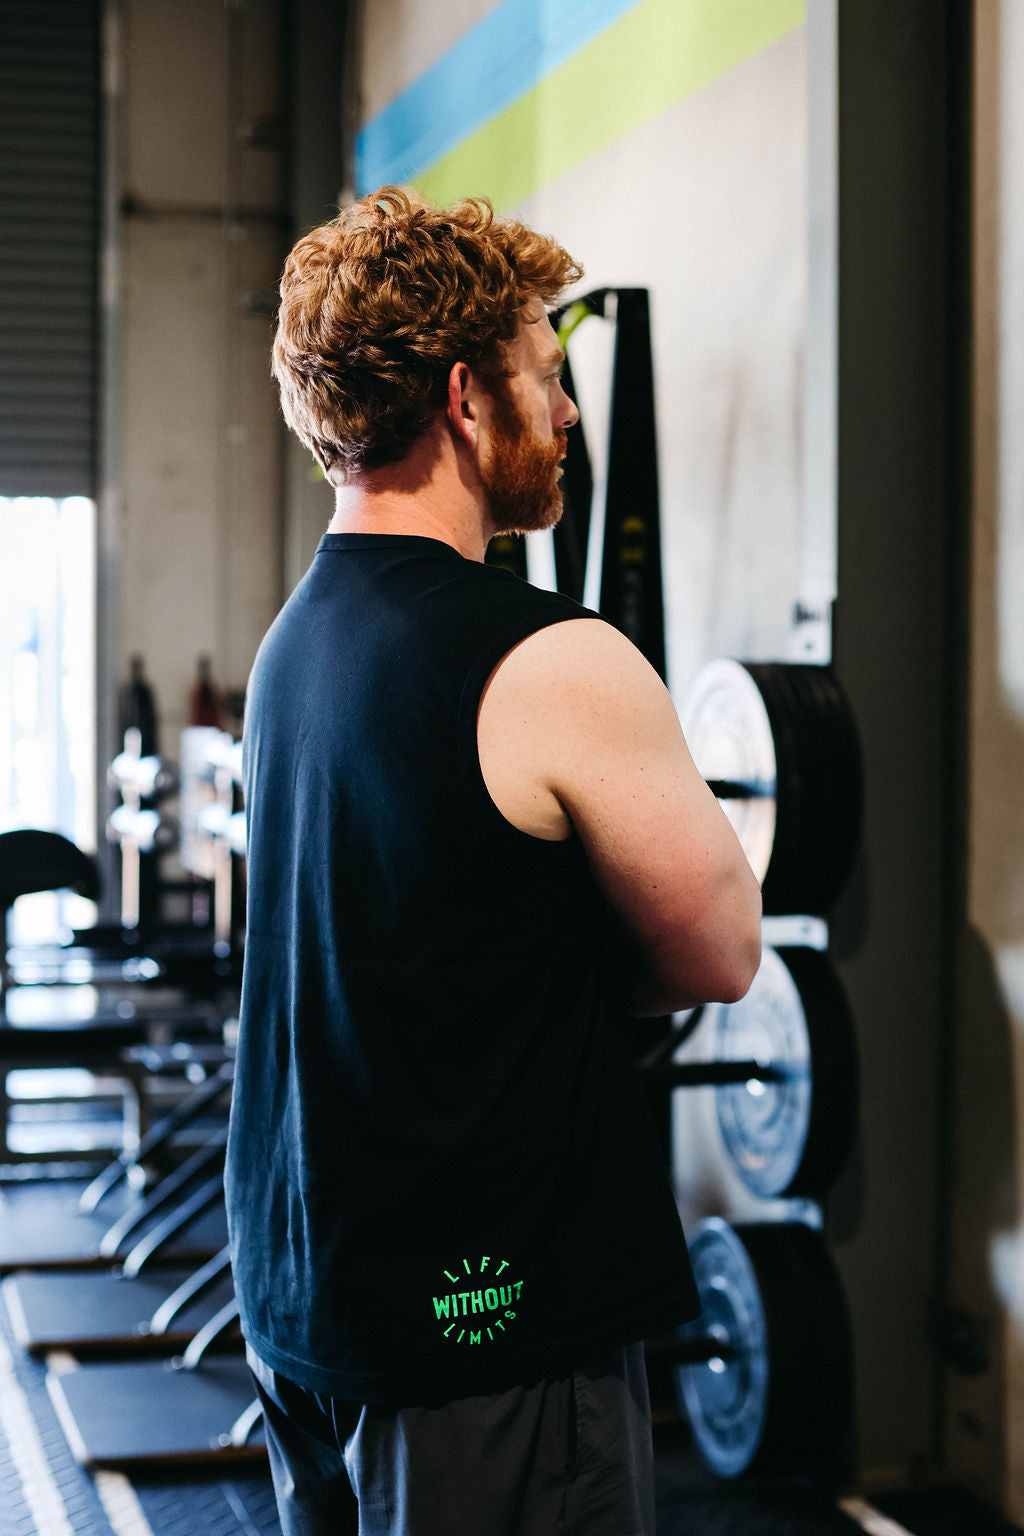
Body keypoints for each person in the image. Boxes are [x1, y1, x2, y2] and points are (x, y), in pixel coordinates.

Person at [225, 186, 762, 1536]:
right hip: (487, 1331)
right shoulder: (553, 659)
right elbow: (719, 950)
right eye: (547, 376)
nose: (570, 413)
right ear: (468, 399)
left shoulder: (294, 651)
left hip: (309, 1299)